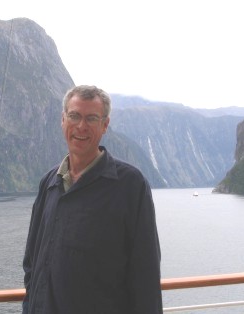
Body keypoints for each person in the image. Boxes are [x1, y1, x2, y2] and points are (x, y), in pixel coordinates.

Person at [22, 85, 163, 313]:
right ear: (63, 120)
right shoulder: (49, 182)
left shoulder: (130, 186)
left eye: (91, 118)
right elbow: (31, 261)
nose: (81, 126)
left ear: (105, 125)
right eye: (74, 116)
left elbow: (145, 274)